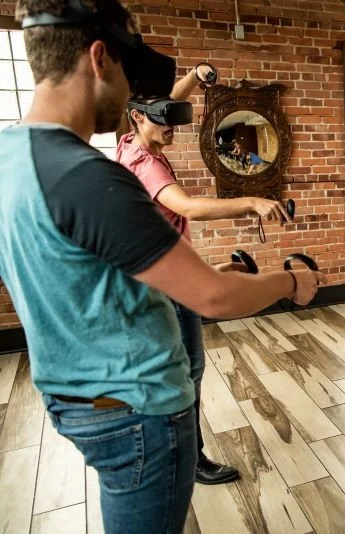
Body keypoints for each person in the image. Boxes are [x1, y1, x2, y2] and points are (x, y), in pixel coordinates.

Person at [0, 1, 323, 532]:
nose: (133, 96)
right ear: (99, 58)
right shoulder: (90, 179)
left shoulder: (15, 158)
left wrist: (195, 78)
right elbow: (213, 299)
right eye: (129, 74)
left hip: (75, 397)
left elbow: (89, 275)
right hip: (137, 412)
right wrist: (293, 280)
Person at [117, 64, 290, 485]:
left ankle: (166, 454)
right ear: (138, 117)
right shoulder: (147, 164)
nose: (173, 126)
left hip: (155, 274)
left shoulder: (127, 144)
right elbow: (188, 208)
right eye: (164, 119)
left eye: (173, 116)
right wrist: (252, 202)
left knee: (170, 372)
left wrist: (194, 76)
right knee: (188, 372)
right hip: (167, 285)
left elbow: (164, 105)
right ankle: (187, 460)